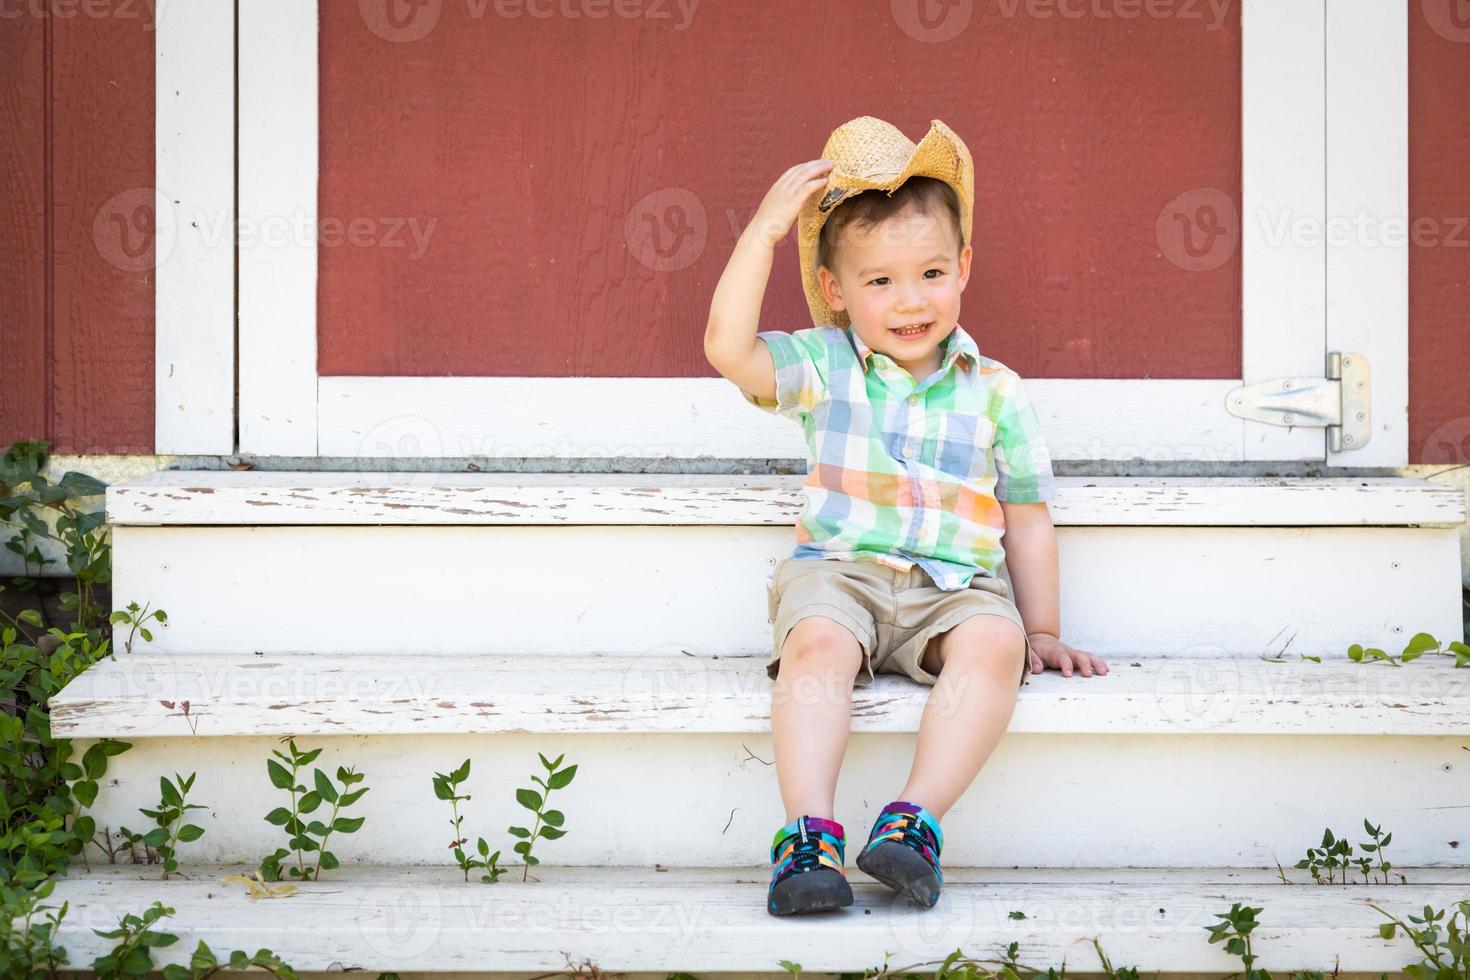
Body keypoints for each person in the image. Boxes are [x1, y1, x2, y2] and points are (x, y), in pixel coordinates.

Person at [703, 116, 1107, 917]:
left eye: (929, 273)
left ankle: (913, 823)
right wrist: (764, 233)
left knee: (998, 645)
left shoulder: (997, 391)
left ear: (962, 268)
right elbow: (727, 347)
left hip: (954, 588)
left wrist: (1046, 628)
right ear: (835, 291)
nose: (910, 300)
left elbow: (1025, 517)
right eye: (879, 282)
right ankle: (807, 838)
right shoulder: (824, 365)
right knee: (815, 649)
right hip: (842, 577)